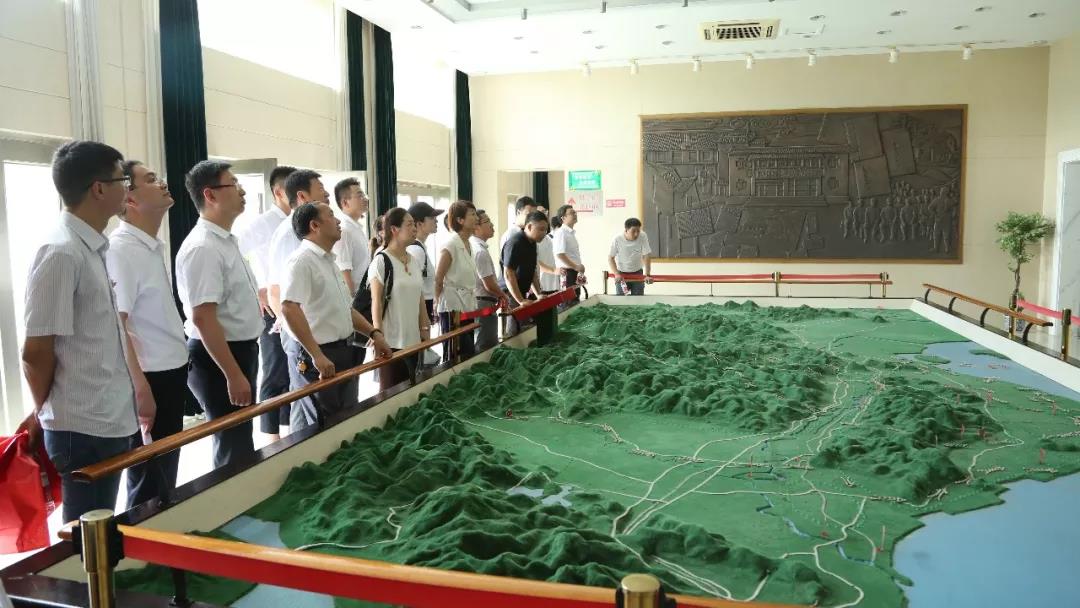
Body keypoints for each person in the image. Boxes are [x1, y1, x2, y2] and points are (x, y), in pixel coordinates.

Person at [18, 141, 137, 523]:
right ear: (99, 188)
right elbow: (36, 351)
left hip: (106, 415)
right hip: (83, 425)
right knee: (87, 532)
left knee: (102, 524)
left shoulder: (91, 247)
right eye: (122, 180)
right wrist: (43, 411)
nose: (128, 189)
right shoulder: (61, 252)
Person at [106, 160, 190, 507]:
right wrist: (140, 387)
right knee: (149, 480)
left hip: (169, 372)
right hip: (150, 377)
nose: (163, 183)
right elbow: (118, 324)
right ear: (129, 198)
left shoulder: (149, 245)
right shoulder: (122, 250)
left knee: (164, 474)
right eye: (151, 180)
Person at [176, 160, 263, 470]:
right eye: (234, 184)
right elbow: (203, 317)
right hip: (218, 357)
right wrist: (233, 373)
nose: (242, 191)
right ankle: (233, 498)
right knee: (231, 441)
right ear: (210, 194)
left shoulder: (225, 240)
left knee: (241, 436)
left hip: (239, 350)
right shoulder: (203, 247)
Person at [281, 203, 391, 432]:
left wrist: (374, 333)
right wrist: (317, 355)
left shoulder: (329, 261)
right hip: (319, 356)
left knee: (346, 418)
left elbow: (345, 310)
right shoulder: (301, 261)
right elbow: (289, 308)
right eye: (331, 215)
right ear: (314, 225)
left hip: (343, 350)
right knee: (325, 427)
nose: (339, 221)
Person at [237, 165, 295, 442]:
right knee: (274, 371)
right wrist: (258, 289)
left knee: (292, 370)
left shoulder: (297, 222)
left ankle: (288, 430)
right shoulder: (261, 224)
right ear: (279, 192)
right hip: (272, 309)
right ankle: (271, 438)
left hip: (294, 306)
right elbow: (237, 256)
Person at [369, 208, 427, 391]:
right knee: (391, 394)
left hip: (414, 339)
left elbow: (419, 296)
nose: (414, 228)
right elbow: (376, 302)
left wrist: (424, 327)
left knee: (412, 390)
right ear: (394, 229)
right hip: (391, 343)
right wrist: (378, 337)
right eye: (409, 224)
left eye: (414, 224)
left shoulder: (413, 260)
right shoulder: (381, 261)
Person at [434, 201, 479, 360]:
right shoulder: (451, 244)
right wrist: (436, 303)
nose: (476, 218)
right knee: (455, 352)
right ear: (460, 220)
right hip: (452, 305)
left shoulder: (469, 243)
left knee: (468, 350)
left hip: (467, 303)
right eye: (472, 214)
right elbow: (438, 278)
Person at [500, 210, 549, 335]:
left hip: (522, 292)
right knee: (515, 330)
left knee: (525, 327)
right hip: (510, 293)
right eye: (541, 229)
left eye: (546, 230)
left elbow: (532, 271)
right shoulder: (515, 243)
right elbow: (508, 274)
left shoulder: (532, 243)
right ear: (529, 226)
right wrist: (520, 300)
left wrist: (538, 294)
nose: (544, 233)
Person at [470, 210, 504, 351]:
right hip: (483, 302)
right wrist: (504, 295)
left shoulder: (476, 247)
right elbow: (489, 284)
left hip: (482, 301)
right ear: (476, 227)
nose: (492, 225)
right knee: (485, 345)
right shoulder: (479, 251)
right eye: (487, 221)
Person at [331, 178, 371, 296]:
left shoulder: (356, 228)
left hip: (365, 295)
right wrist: (352, 304)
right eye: (360, 195)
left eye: (364, 195)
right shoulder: (344, 231)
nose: (365, 199)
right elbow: (344, 273)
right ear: (345, 202)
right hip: (356, 299)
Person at [406, 202, 443, 327]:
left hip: (425, 306)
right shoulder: (416, 250)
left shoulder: (420, 247)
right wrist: (423, 318)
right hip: (419, 310)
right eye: (432, 218)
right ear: (419, 224)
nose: (436, 221)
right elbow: (413, 287)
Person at [608, 218, 653, 296]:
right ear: (626, 230)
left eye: (638, 231)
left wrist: (647, 275)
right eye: (633, 231)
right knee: (621, 299)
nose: (636, 234)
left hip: (638, 273)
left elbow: (646, 255)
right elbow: (610, 258)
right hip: (621, 274)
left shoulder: (643, 236)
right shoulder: (617, 239)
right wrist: (616, 274)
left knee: (638, 299)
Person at [552, 204, 584, 300]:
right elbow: (560, 254)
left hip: (574, 272)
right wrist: (576, 266)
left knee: (575, 300)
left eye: (575, 212)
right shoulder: (561, 232)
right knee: (568, 302)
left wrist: (578, 267)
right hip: (567, 273)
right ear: (563, 218)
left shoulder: (570, 233)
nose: (575, 214)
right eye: (571, 213)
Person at [535, 203, 560, 294]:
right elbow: (535, 261)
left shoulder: (548, 238)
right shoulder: (534, 239)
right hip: (542, 284)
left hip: (554, 282)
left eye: (546, 211)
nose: (545, 214)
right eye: (542, 212)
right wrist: (553, 270)